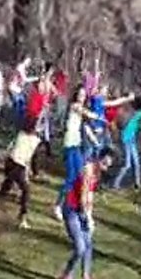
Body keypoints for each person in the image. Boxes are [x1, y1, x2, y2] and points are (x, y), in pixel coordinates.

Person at [56, 147, 115, 279]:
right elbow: (82, 196)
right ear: (98, 158)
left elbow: (90, 196)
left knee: (88, 245)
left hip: (82, 211)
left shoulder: (97, 173)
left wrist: (90, 216)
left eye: (108, 165)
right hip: (71, 210)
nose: (105, 167)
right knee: (80, 247)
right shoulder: (87, 170)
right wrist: (87, 218)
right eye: (104, 163)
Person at [53, 84, 100, 219]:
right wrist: (97, 116)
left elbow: (86, 126)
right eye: (80, 94)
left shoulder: (81, 109)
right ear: (76, 95)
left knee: (79, 176)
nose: (81, 97)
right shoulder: (74, 106)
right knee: (71, 177)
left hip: (77, 144)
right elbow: (86, 113)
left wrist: (95, 137)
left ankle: (75, 205)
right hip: (69, 144)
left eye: (84, 95)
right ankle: (58, 205)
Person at [0, 122, 41, 230]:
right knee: (26, 191)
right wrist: (35, 172)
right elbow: (34, 158)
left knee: (5, 188)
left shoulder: (20, 134)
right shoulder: (35, 141)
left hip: (10, 163)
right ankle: (22, 218)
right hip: (18, 166)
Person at [113, 96, 141, 190]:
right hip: (126, 139)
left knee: (136, 162)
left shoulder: (137, 113)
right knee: (127, 164)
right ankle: (115, 184)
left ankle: (137, 184)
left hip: (130, 139)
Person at [86, 83, 133, 157]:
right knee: (93, 151)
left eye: (106, 90)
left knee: (97, 149)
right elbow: (113, 103)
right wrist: (127, 99)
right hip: (96, 129)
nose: (106, 91)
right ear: (100, 90)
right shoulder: (98, 99)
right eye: (105, 89)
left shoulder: (96, 99)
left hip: (99, 128)